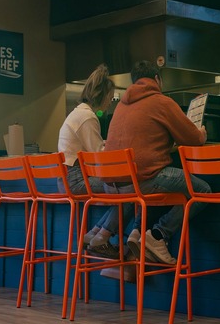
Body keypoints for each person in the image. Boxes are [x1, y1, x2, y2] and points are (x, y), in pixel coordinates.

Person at [84, 60, 209, 264]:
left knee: (146, 186)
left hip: (112, 185)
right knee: (203, 191)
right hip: (141, 181)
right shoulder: (162, 102)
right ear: (157, 79)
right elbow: (192, 139)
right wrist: (201, 134)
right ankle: (158, 236)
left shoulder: (120, 106)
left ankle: (117, 234)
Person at [57, 64, 116, 194]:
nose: (111, 102)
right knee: (124, 186)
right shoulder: (87, 116)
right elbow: (99, 155)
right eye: (110, 98)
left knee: (123, 187)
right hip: (76, 181)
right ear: (102, 95)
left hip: (66, 180)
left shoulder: (78, 113)